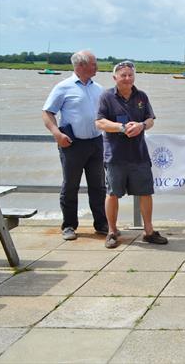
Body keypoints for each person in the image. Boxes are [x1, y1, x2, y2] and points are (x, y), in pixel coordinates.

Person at [95, 61, 167, 249]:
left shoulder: (141, 96)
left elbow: (150, 119)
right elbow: (100, 123)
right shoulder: (106, 97)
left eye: (130, 75)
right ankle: (112, 232)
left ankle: (149, 231)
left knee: (145, 193)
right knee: (112, 194)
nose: (127, 78)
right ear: (115, 78)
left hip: (139, 155)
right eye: (123, 75)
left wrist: (142, 126)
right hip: (115, 156)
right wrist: (122, 127)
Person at [41, 50, 108, 240]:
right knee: (70, 185)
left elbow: (106, 114)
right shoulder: (63, 87)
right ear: (81, 65)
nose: (97, 67)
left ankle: (101, 224)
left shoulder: (99, 88)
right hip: (72, 143)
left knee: (99, 186)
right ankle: (69, 225)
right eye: (94, 63)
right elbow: (47, 113)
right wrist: (57, 134)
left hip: (96, 143)